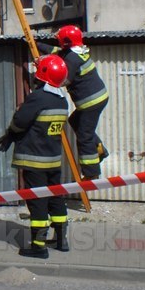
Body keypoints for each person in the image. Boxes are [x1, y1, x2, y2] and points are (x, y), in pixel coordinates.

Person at [0, 54, 70, 258]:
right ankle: (61, 240)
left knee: (37, 202)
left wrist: (10, 134)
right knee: (56, 198)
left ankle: (38, 246)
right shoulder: (62, 100)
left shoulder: (38, 97)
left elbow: (20, 121)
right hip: (53, 160)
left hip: (34, 160)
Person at [36, 25, 109, 179]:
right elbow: (57, 52)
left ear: (66, 41)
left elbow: (63, 80)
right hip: (98, 98)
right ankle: (99, 149)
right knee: (75, 121)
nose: (59, 43)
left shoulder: (72, 58)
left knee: (84, 135)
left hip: (91, 102)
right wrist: (38, 45)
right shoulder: (77, 52)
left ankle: (92, 173)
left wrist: (43, 68)